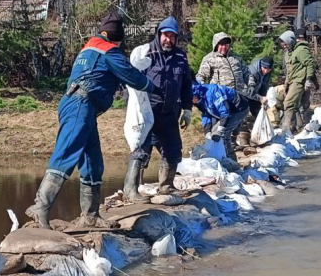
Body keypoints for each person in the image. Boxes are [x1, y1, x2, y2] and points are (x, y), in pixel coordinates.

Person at [26, 12, 155, 229]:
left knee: (93, 161)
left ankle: (91, 215)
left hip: (82, 105)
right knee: (66, 154)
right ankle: (40, 207)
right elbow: (132, 75)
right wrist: (152, 87)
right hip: (80, 105)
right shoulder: (108, 51)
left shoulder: (89, 48)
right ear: (117, 37)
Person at [124, 16, 195, 201]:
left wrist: (187, 109)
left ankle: (166, 186)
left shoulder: (180, 57)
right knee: (140, 150)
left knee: (173, 150)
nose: (168, 40)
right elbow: (131, 82)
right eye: (165, 35)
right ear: (158, 34)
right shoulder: (145, 54)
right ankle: (131, 189)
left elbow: (187, 84)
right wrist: (131, 112)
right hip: (146, 113)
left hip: (169, 114)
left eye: (172, 36)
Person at [197, 32, 250, 144]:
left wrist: (250, 87)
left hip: (237, 98)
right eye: (221, 44)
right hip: (220, 99)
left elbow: (247, 74)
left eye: (226, 44)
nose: (224, 47)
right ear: (216, 45)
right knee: (221, 127)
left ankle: (234, 143)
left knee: (236, 125)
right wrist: (200, 92)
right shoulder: (209, 59)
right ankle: (221, 148)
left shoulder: (236, 58)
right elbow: (201, 76)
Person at [190, 83, 250, 162]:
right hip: (223, 113)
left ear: (195, 93)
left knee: (223, 135)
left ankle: (231, 163)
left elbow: (225, 112)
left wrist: (220, 129)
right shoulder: (199, 99)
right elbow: (205, 114)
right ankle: (219, 159)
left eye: (191, 98)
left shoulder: (212, 92)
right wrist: (207, 131)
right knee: (213, 135)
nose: (191, 101)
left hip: (238, 109)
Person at [278, 29, 316, 133]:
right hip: (291, 80)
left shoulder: (300, 50)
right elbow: (289, 69)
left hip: (299, 81)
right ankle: (298, 127)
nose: (284, 47)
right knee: (294, 104)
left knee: (289, 103)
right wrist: (286, 84)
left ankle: (286, 130)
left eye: (285, 44)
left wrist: (308, 79)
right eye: (283, 45)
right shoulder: (289, 52)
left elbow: (310, 64)